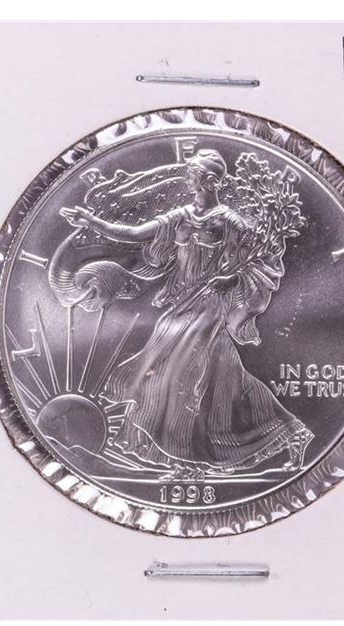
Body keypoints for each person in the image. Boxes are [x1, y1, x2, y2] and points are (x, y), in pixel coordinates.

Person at [56, 149, 311, 480]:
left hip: (210, 304)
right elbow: (133, 234)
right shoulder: (180, 216)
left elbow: (261, 261)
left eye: (192, 174)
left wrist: (230, 279)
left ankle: (189, 465)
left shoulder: (230, 222)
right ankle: (291, 432)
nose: (187, 179)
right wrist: (92, 222)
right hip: (181, 302)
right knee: (224, 378)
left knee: (181, 373)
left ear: (208, 180)